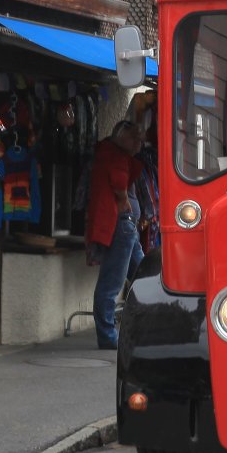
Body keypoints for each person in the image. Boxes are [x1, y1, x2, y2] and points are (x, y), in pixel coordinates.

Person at [87, 120, 145, 350]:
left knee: (145, 274)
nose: (139, 143)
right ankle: (108, 336)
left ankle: (147, 325)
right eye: (135, 138)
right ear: (121, 137)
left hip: (126, 226)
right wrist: (122, 199)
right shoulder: (116, 155)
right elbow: (119, 182)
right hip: (121, 225)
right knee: (113, 283)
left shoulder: (112, 153)